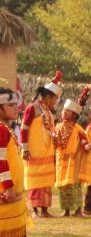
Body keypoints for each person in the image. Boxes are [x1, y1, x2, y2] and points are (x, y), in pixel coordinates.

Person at [21, 71, 61, 218]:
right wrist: (25, 149)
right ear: (49, 97)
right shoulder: (33, 108)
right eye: (55, 99)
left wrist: (55, 138)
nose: (55, 103)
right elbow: (23, 129)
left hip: (47, 151)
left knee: (45, 181)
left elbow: (49, 130)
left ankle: (44, 209)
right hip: (34, 151)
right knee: (35, 181)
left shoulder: (48, 112)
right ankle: (35, 211)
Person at [0, 87, 28, 237]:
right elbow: (0, 160)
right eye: (10, 105)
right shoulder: (0, 130)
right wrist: (7, 186)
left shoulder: (5, 128)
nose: (16, 108)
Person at [54, 91, 91, 218]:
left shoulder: (78, 129)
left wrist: (88, 146)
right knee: (63, 187)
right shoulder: (58, 127)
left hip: (73, 162)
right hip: (61, 161)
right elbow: (55, 143)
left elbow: (84, 142)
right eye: (64, 110)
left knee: (75, 186)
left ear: (74, 115)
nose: (64, 112)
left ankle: (78, 210)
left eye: (67, 111)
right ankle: (66, 210)